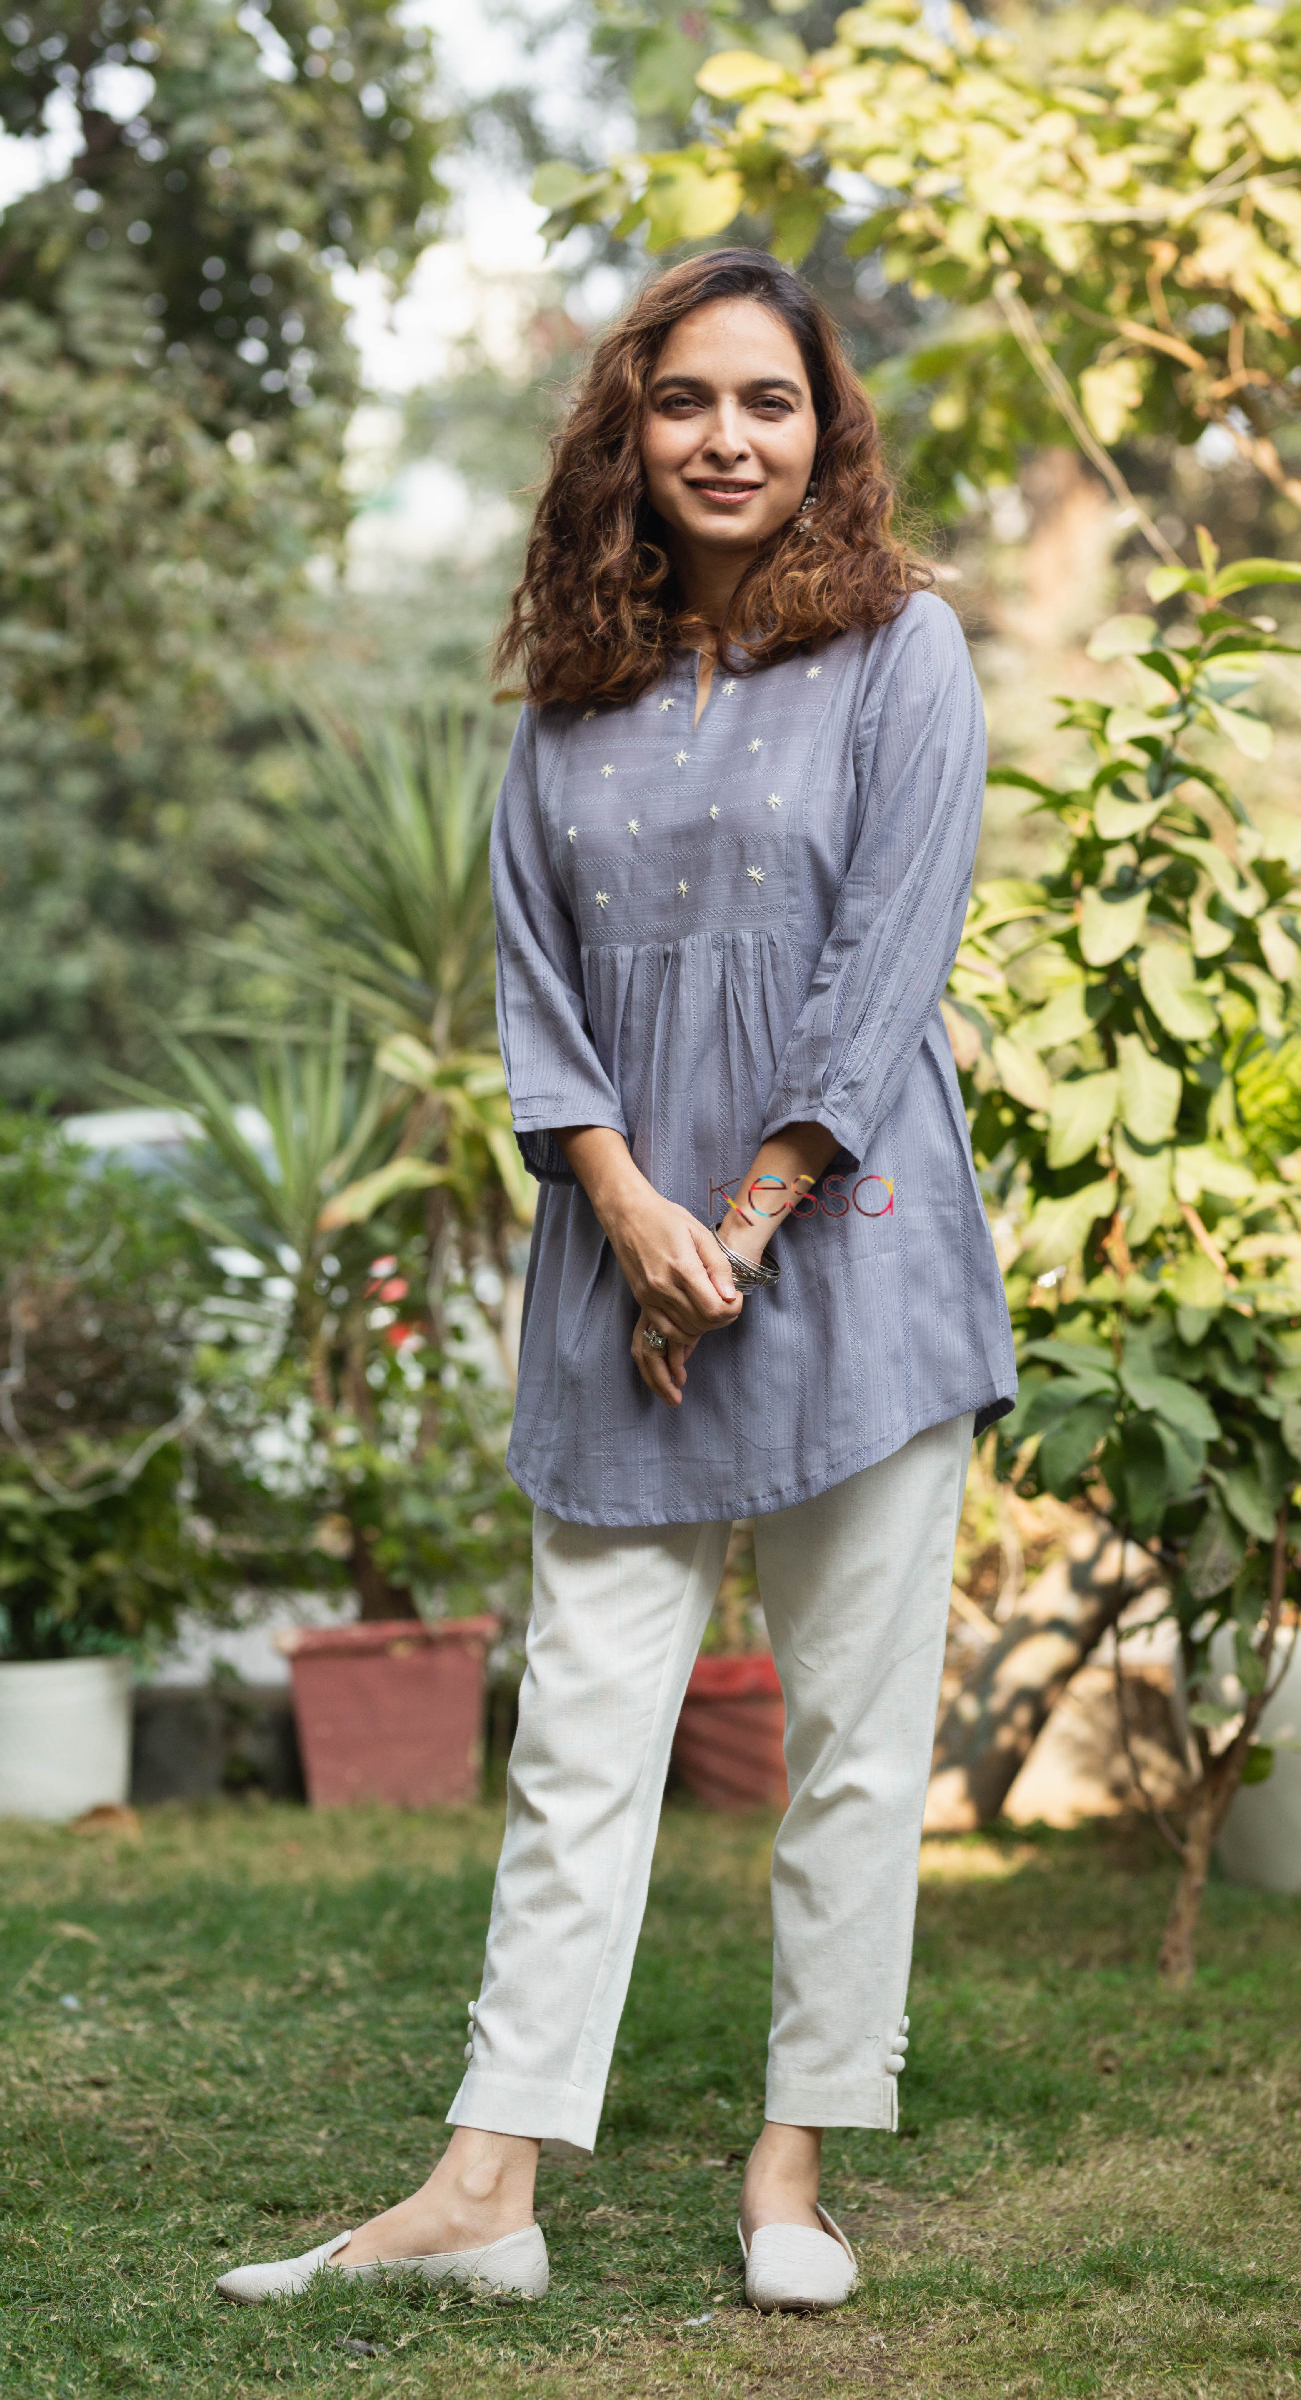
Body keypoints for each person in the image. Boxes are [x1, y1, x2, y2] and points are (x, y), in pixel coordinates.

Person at [217, 247, 1015, 2316]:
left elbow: (885, 970)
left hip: (852, 1259)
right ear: (627, 433)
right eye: (684, 401)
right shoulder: (571, 693)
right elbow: (534, 985)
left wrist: (730, 1228)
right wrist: (627, 1216)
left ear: (824, 430)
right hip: (616, 1268)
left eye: (769, 401)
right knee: (579, 1736)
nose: (726, 439)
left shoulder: (905, 652)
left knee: (851, 1742)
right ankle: (485, 2186)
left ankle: (791, 2166)